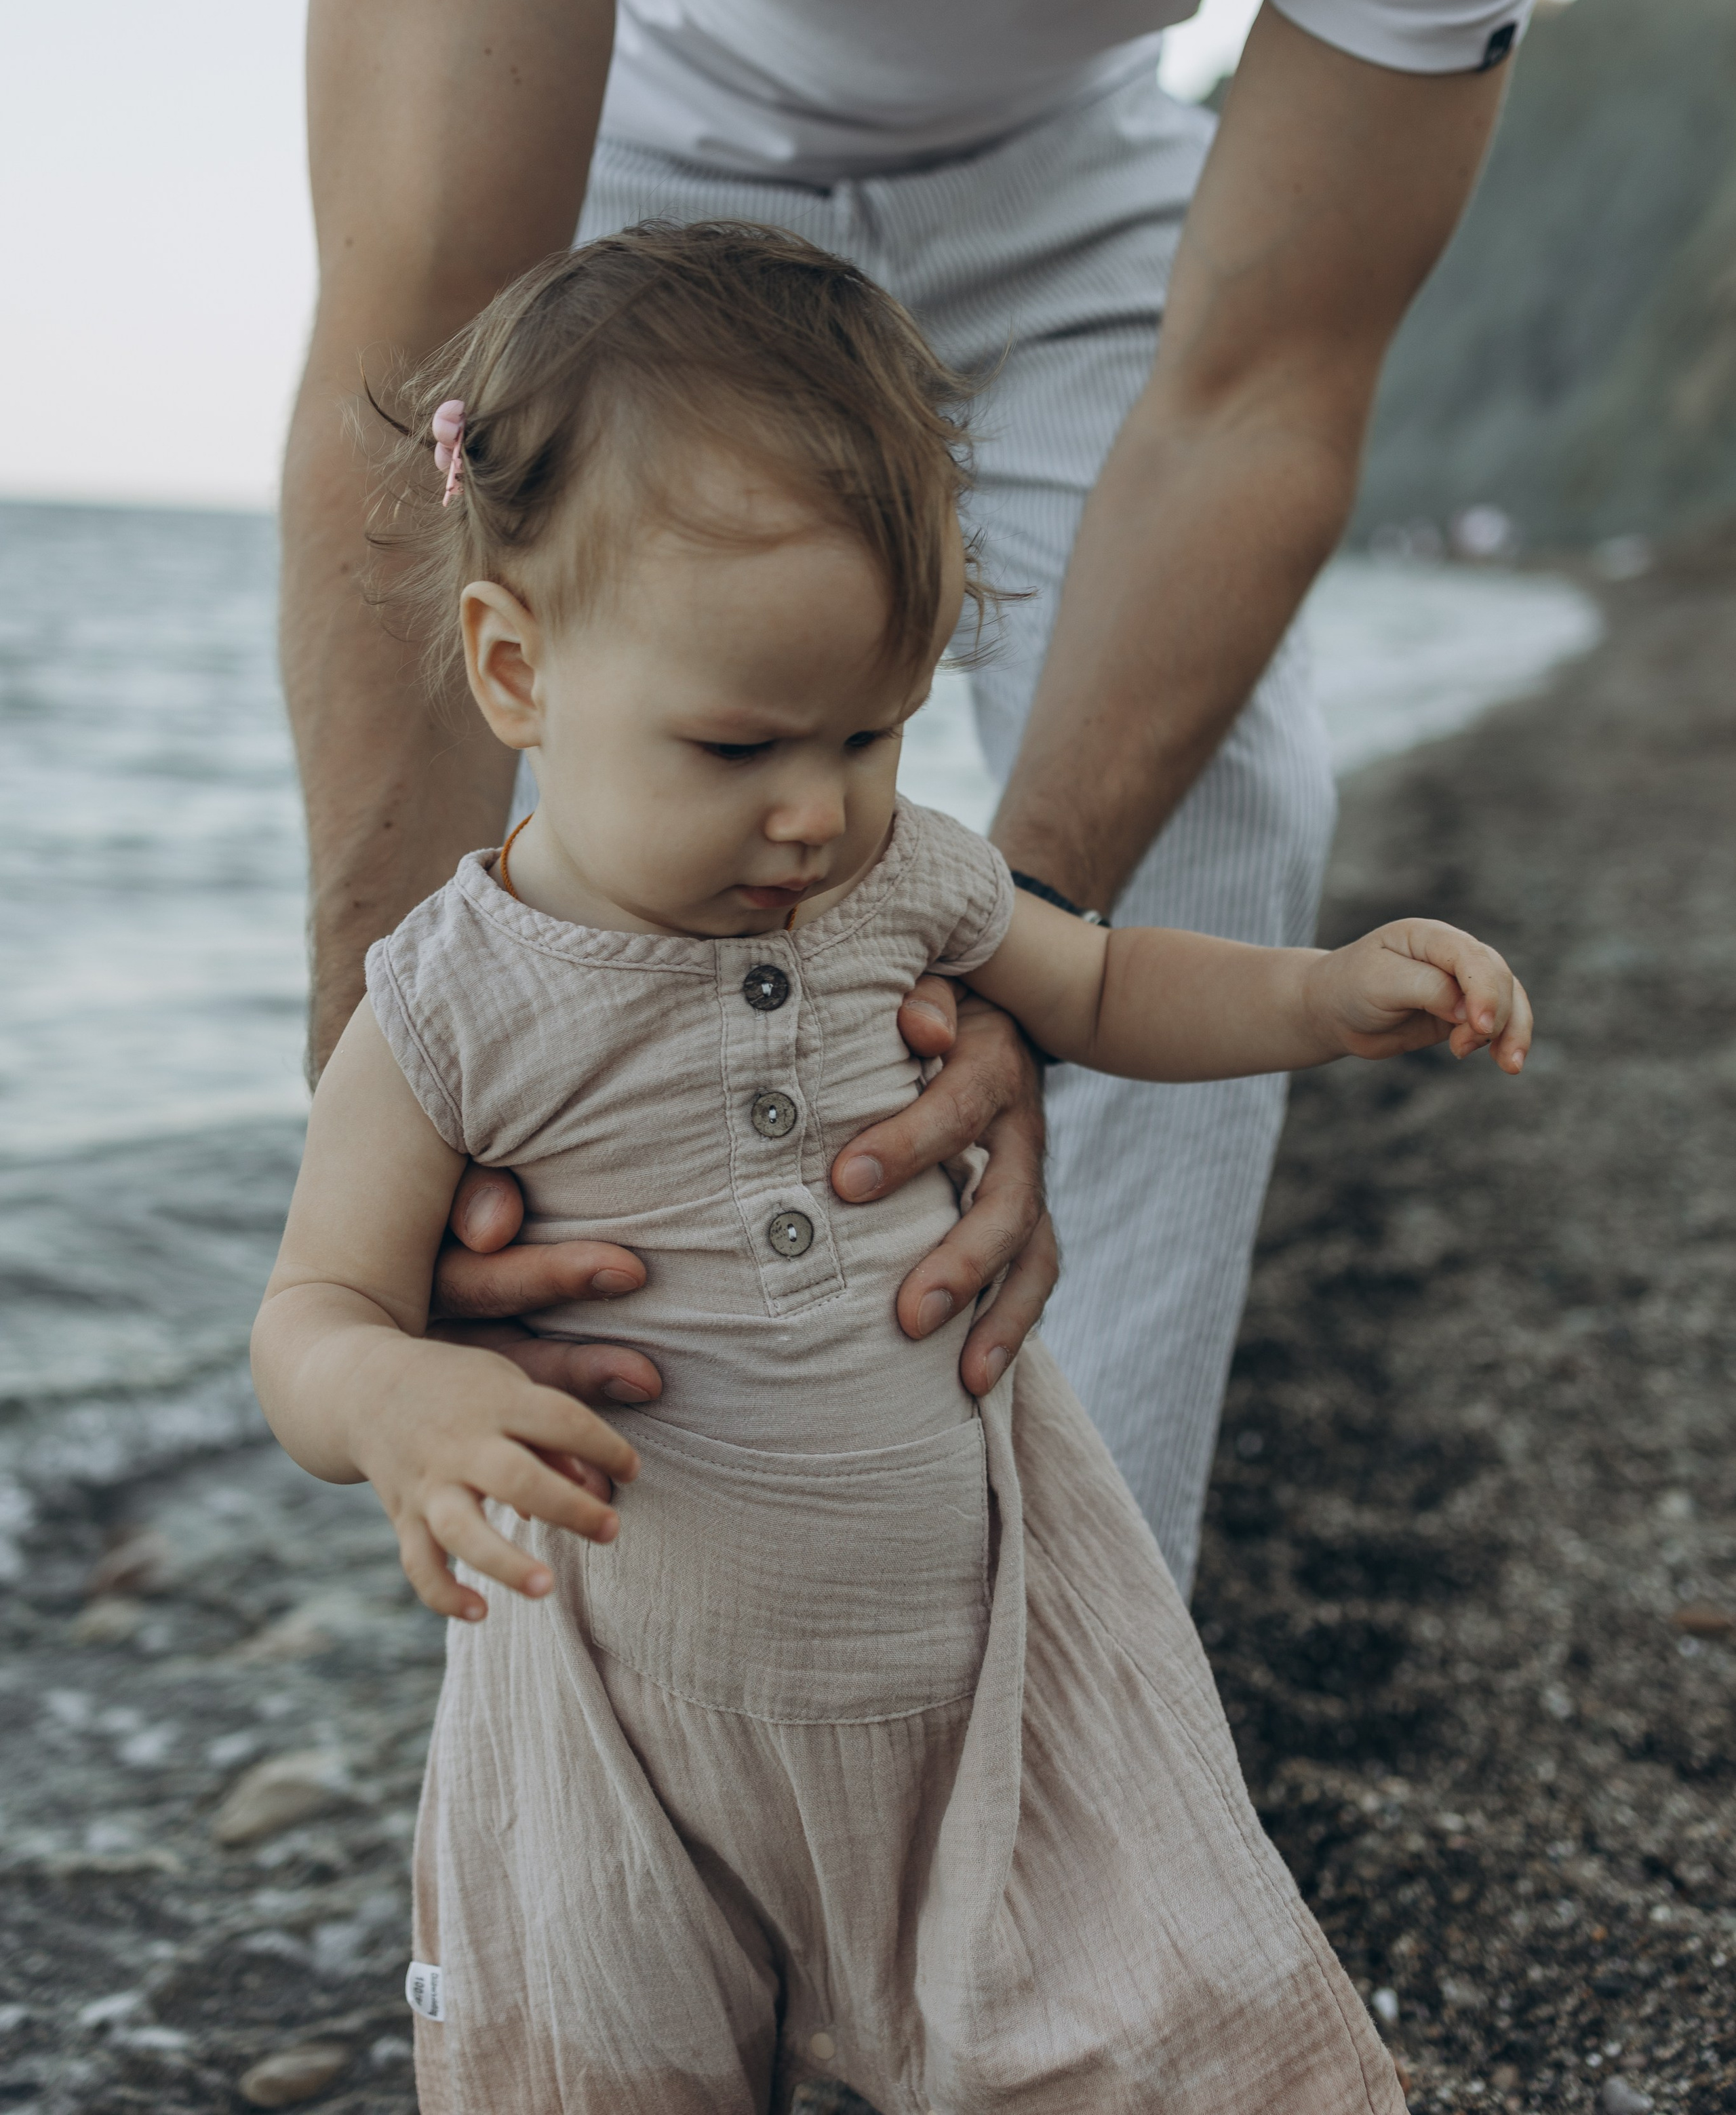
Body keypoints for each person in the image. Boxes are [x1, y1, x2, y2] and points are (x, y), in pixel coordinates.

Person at [283, 0, 1636, 1589]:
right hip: (629, 147)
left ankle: (1082, 1690)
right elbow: (410, 373)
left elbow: (1260, 392)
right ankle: (602, 1628)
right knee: (635, 817)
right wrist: (369, 1164)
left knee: (1232, 800)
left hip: (1066, 192)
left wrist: (1030, 961)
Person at [254, 223, 1531, 2112]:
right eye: (737, 742)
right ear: (514, 668)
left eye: (873, 729)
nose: (813, 807)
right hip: (627, 1717)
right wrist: (400, 1397)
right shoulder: (452, 1004)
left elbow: (1097, 980)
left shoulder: (900, 878)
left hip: (977, 1666)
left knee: (1157, 2033)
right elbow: (309, 1316)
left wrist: (1323, 995)